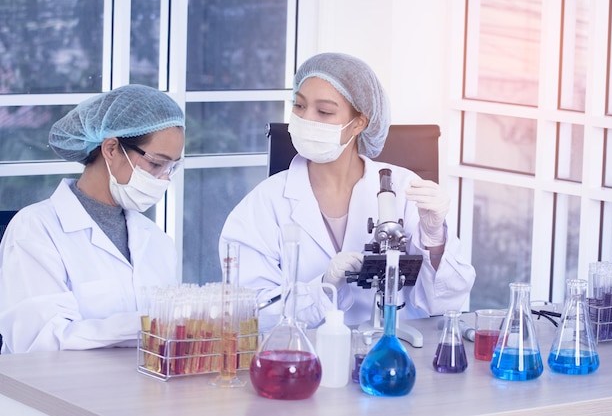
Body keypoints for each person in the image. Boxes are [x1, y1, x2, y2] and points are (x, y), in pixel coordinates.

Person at [220, 52, 476, 331]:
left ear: (358, 123)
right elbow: (252, 312)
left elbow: (447, 303)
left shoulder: (404, 188)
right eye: (299, 106)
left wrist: (435, 238)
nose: (306, 119)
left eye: (325, 111)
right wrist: (324, 287)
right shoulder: (264, 203)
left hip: (395, 352)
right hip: (306, 355)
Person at [0, 84, 185, 354]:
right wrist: (147, 327)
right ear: (110, 148)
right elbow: (39, 341)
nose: (164, 178)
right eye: (157, 164)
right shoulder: (35, 229)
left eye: (172, 167)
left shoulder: (156, 240)